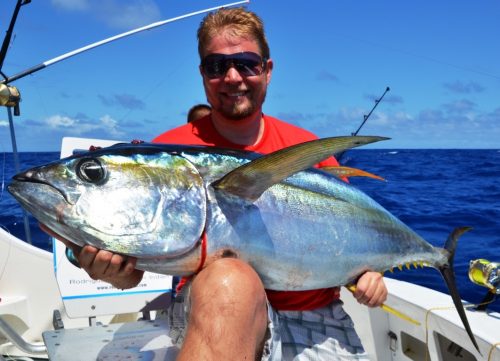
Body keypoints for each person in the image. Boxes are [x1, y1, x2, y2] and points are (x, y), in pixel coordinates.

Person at [43, 7, 387, 360]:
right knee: (229, 279)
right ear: (203, 74)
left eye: (247, 63)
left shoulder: (307, 151)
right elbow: (134, 272)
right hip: (210, 311)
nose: (233, 76)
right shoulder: (168, 151)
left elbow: (346, 239)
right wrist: (112, 272)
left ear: (267, 71)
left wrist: (366, 275)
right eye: (217, 66)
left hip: (316, 319)